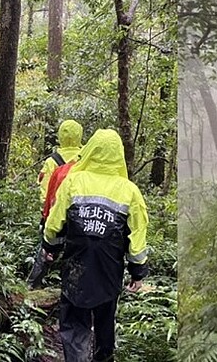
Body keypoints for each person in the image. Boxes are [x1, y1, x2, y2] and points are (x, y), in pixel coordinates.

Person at [42, 129, 149, 362]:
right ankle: (104, 356)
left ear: (90, 149)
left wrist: (49, 248)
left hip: (75, 268)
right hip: (108, 272)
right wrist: (138, 272)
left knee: (73, 323)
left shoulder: (73, 182)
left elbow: (55, 223)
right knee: (105, 320)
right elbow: (137, 236)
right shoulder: (130, 191)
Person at [27, 159, 77, 289]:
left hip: (57, 216)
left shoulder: (55, 164)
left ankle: (31, 286)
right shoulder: (85, 166)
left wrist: (45, 216)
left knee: (46, 253)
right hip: (79, 223)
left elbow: (47, 192)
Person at [38, 119, 83, 204]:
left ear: (60, 136)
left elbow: (45, 192)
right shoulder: (85, 159)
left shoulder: (51, 161)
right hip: (80, 210)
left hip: (57, 209)